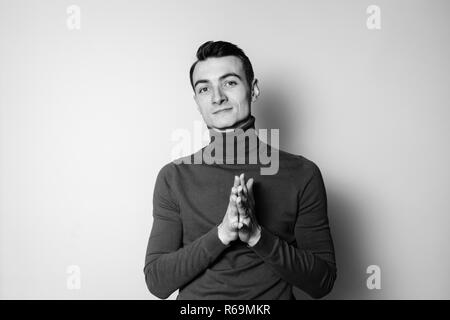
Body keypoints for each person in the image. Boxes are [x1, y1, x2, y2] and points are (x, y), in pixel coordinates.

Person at [144, 40, 337, 300]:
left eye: (230, 82)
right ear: (196, 101)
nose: (217, 97)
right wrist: (222, 233)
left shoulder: (302, 174)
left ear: (254, 89)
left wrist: (257, 235)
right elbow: (157, 282)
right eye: (204, 88)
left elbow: (321, 282)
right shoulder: (174, 177)